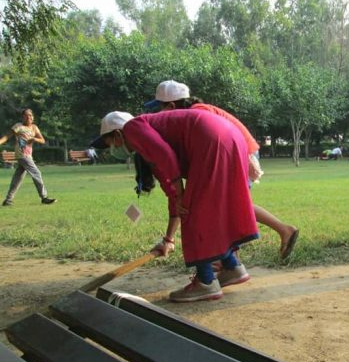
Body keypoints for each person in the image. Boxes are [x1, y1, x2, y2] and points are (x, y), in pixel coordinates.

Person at [92, 110, 258, 302]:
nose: (113, 149)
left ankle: (206, 282)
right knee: (208, 210)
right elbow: (171, 190)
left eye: (111, 143)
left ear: (118, 134)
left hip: (211, 139)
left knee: (194, 211)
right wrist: (168, 239)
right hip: (230, 137)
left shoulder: (132, 128)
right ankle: (232, 267)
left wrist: (181, 194)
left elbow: (166, 158)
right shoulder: (150, 139)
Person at [144, 80, 299, 260]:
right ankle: (232, 261)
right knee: (230, 205)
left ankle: (234, 258)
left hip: (240, 155)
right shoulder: (197, 111)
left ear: (171, 106)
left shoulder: (197, 113)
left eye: (159, 108)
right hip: (238, 154)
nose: (157, 114)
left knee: (227, 206)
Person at [0, 108, 56, 206]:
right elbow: (7, 136)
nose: (28, 117)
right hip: (22, 154)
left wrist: (34, 139)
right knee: (36, 173)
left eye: (30, 115)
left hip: (28, 155)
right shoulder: (18, 126)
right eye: (26, 115)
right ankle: (44, 197)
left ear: (33, 117)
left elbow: (42, 140)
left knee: (18, 178)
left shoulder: (34, 127)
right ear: (22, 117)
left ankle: (8, 200)